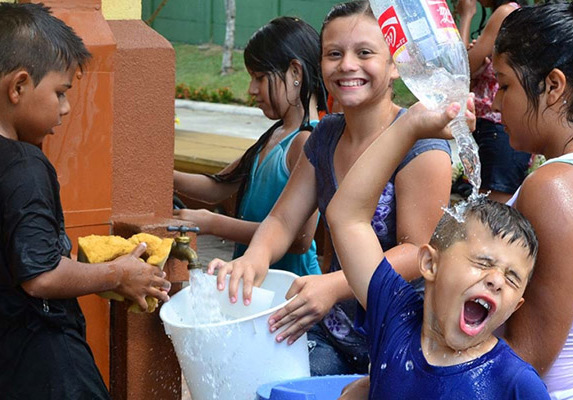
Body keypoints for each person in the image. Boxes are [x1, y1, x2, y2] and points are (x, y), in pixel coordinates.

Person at [209, 0, 454, 375]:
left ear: (395, 66)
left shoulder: (422, 145)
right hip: (333, 328)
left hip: (403, 339)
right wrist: (252, 259)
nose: (347, 65)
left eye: (365, 53)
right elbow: (283, 219)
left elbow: (417, 252)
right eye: (334, 54)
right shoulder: (325, 135)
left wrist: (333, 286)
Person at [0, 4, 171, 398]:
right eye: (60, 92)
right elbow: (39, 275)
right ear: (19, 86)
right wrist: (118, 275)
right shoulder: (26, 165)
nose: (66, 108)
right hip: (44, 359)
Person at [326, 101, 549, 399]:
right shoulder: (394, 315)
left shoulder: (514, 383)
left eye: (512, 278)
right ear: (430, 263)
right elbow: (346, 217)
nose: (496, 280)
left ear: (515, 306)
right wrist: (409, 128)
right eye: (483, 263)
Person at [492, 1, 573, 397]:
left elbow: (524, 359)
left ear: (553, 86)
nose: (495, 103)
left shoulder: (557, 188)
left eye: (504, 85)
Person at [173, 16, 325, 279]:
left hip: (289, 288)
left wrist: (213, 223)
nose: (251, 89)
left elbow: (300, 239)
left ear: (295, 72)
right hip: (257, 282)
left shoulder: (306, 141)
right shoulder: (273, 136)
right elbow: (218, 186)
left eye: (260, 77)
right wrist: (165, 177)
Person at [456, 0, 531, 203]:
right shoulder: (515, 13)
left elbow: (461, 68)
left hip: (497, 130)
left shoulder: (505, 12)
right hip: (499, 130)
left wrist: (466, 16)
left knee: (492, 214)